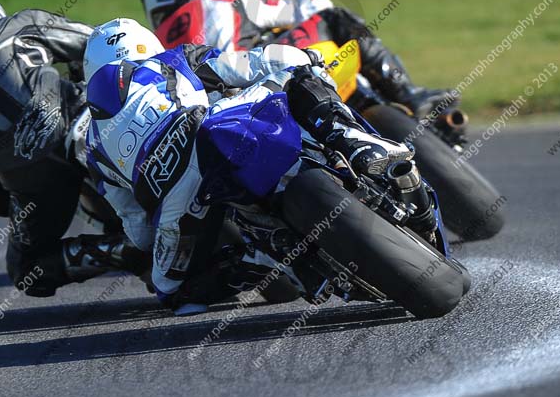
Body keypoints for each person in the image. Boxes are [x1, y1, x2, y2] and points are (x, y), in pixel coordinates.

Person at [83, 18, 410, 314]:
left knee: (173, 292)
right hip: (218, 128)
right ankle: (352, 139)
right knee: (298, 74)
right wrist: (307, 58)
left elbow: (139, 231)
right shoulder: (172, 60)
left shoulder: (93, 145)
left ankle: (263, 261)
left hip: (178, 204)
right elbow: (252, 62)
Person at [0, 0, 143, 298]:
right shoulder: (19, 26)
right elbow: (102, 41)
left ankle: (121, 249)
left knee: (27, 271)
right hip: (89, 125)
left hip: (35, 185)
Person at [140, 0, 459, 119]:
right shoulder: (228, 3)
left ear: (153, 7)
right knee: (335, 18)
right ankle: (406, 93)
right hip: (272, 81)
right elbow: (313, 5)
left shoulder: (152, 47)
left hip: (220, 119)